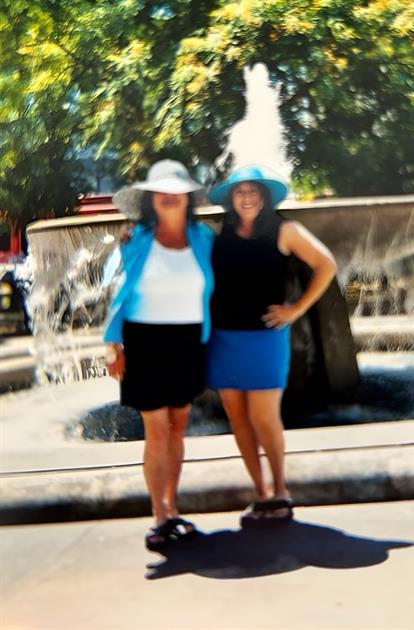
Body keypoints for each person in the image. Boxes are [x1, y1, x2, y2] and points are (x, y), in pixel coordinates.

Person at [207, 164, 337, 526]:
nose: (247, 198)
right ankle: (261, 492)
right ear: (231, 199)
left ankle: (280, 490)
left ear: (264, 196)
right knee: (238, 420)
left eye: (253, 191)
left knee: (265, 419)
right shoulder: (221, 234)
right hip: (223, 339)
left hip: (265, 339)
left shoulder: (286, 230)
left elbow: (326, 264)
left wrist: (295, 310)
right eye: (240, 192)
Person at [103, 160, 214, 551]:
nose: (170, 197)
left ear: (188, 198)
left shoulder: (205, 238)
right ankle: (160, 512)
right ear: (152, 199)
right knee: (156, 427)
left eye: (176, 190)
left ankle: (173, 504)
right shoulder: (136, 238)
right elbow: (117, 290)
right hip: (144, 341)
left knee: (178, 427)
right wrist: (113, 344)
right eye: (162, 191)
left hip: (189, 341)